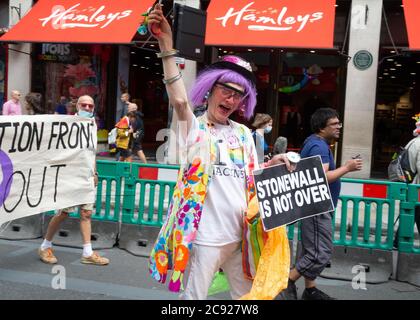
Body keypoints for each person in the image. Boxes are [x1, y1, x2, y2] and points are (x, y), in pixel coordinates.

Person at [147, 4, 292, 300]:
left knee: (249, 296)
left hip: (241, 236)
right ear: (211, 89)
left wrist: (275, 162)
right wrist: (166, 46)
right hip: (208, 238)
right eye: (226, 90)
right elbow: (179, 100)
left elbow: (251, 177)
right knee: (194, 298)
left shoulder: (242, 133)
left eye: (239, 95)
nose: (231, 99)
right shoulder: (195, 128)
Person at [281, 107, 362, 300]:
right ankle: (287, 282)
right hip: (317, 207)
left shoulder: (315, 142)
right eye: (333, 124)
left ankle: (310, 290)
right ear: (321, 127)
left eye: (338, 123)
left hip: (314, 205)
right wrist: (347, 168)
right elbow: (321, 177)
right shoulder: (319, 147)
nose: (338, 127)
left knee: (309, 250)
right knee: (320, 253)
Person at [38, 95, 109, 266]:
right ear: (77, 106)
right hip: (70, 176)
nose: (87, 108)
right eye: (83, 105)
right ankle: (44, 246)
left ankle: (87, 252)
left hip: (86, 176)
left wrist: (95, 172)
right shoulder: (67, 124)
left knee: (86, 213)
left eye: (90, 106)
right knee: (63, 213)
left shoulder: (92, 125)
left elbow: (91, 152)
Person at [393, 117, 420, 248]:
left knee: (408, 217)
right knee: (410, 216)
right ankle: (398, 248)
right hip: (417, 189)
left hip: (411, 187)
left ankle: (397, 247)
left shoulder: (414, 141)